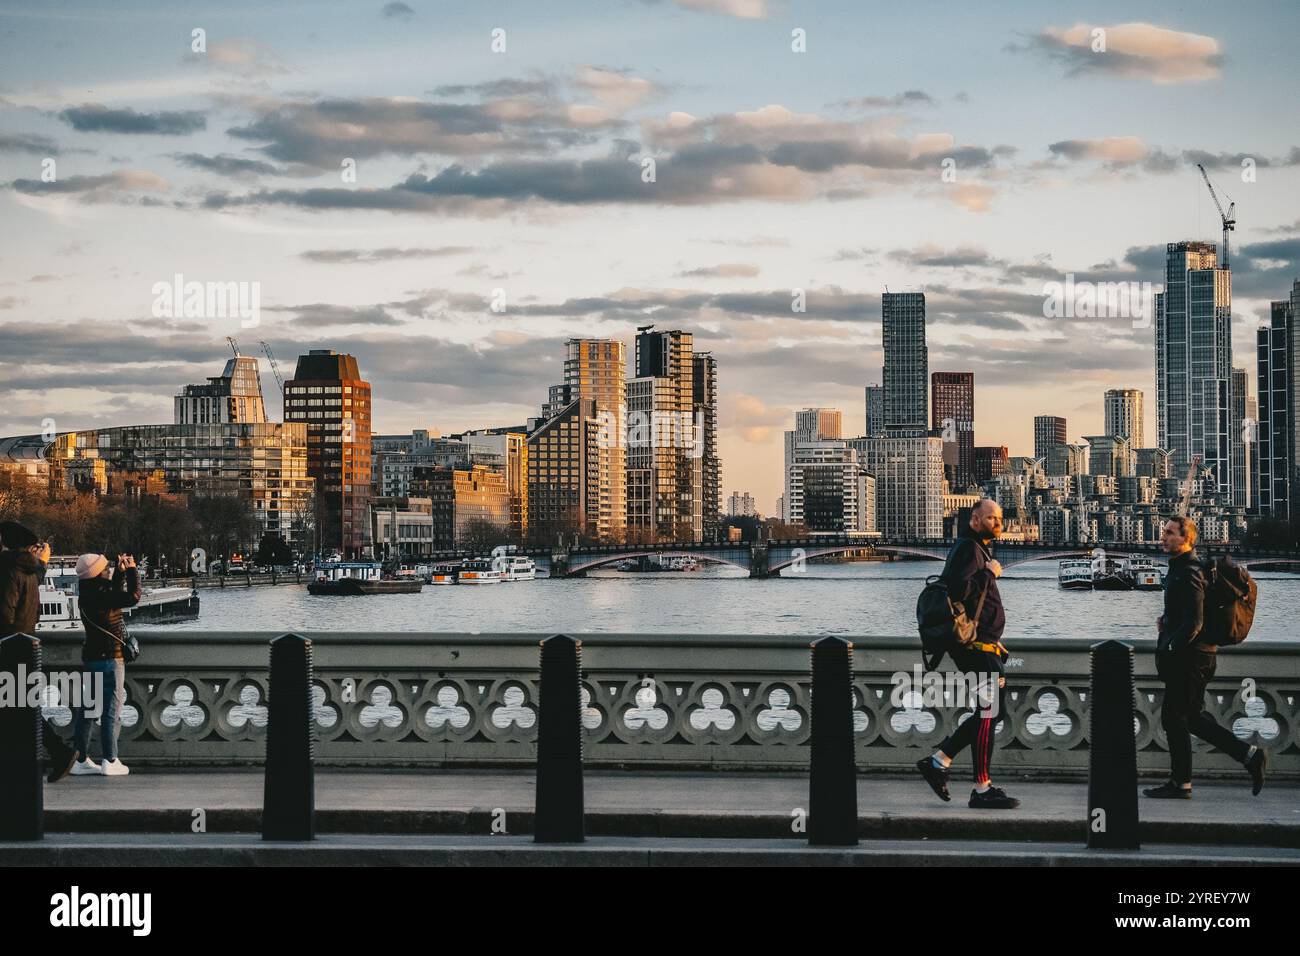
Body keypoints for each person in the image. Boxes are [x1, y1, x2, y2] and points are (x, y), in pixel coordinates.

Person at [1144, 516, 1267, 798]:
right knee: (1189, 718)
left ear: (1187, 539)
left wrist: (1172, 646)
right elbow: (1186, 613)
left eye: (1170, 533)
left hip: (1191, 658)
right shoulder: (1185, 569)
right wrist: (1168, 621)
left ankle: (1183, 782)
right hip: (1198, 655)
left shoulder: (1188, 572)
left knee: (1176, 719)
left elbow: (1195, 622)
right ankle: (1245, 757)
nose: (1163, 537)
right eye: (1164, 532)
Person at [915, 499, 1020, 809]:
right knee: (989, 713)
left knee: (991, 712)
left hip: (983, 646)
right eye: (992, 517)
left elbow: (973, 603)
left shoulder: (977, 549)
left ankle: (939, 761)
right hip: (975, 650)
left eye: (1000, 517)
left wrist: (992, 638)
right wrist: (990, 574)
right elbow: (960, 591)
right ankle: (981, 788)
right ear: (975, 520)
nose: (998, 522)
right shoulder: (968, 549)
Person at [0, 520, 80, 782]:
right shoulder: (28, 569)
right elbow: (36, 578)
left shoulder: (8, 570)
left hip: (8, 648)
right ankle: (57, 752)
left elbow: (4, 613)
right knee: (22, 708)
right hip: (25, 646)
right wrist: (43, 561)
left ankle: (58, 752)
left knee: (19, 709)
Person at [71, 552, 140, 777]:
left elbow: (111, 595)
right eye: (106, 567)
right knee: (112, 711)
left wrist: (119, 573)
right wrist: (131, 569)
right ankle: (110, 759)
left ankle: (80, 758)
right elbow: (133, 597)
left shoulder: (87, 594)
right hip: (111, 658)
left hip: (91, 657)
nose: (109, 568)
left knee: (89, 709)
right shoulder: (105, 593)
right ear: (99, 572)